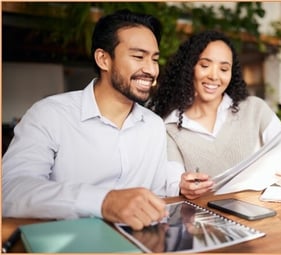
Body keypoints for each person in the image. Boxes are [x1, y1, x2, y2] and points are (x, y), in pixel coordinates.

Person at [2, 9, 178, 230]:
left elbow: (158, 195)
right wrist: (104, 201)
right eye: (138, 57)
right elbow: (10, 190)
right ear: (104, 59)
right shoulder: (49, 114)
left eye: (154, 59)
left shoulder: (153, 125)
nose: (151, 69)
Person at [148, 30, 281, 199]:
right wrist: (182, 186)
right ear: (189, 68)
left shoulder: (255, 109)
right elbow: (172, 184)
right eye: (205, 65)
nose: (214, 76)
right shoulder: (170, 127)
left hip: (262, 215)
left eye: (224, 69)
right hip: (207, 221)